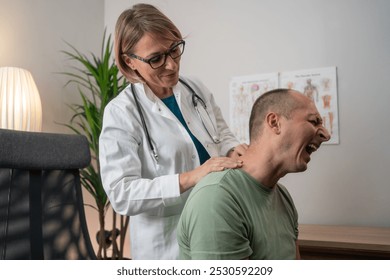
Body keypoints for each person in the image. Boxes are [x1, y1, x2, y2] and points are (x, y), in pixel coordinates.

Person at [99, 3, 247, 260]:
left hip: (216, 220)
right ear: (129, 62)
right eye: (156, 59)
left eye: (174, 49)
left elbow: (221, 135)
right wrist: (190, 177)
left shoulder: (195, 88)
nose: (171, 65)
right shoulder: (121, 112)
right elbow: (121, 194)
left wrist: (235, 149)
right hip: (166, 246)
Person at [177, 89, 330, 259]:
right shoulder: (216, 198)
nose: (326, 135)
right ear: (275, 123)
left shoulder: (283, 197)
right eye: (314, 122)